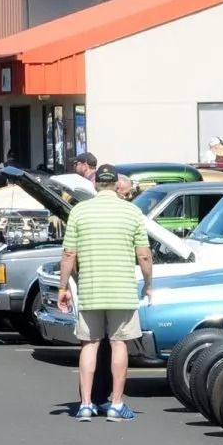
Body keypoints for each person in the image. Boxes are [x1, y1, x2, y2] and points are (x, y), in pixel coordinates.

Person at [55, 163, 154, 420]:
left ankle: (86, 404)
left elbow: (68, 254)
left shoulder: (79, 211)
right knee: (119, 344)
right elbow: (143, 254)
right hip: (121, 290)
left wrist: (63, 286)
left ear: (96, 183)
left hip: (90, 288)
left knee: (90, 344)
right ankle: (116, 404)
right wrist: (149, 283)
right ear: (116, 185)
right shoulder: (132, 212)